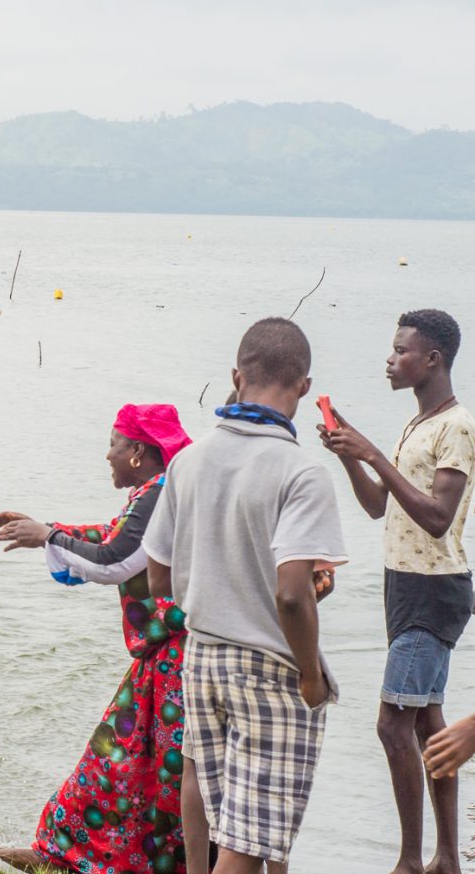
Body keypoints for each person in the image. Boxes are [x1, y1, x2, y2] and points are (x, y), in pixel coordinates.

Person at [145, 318, 347, 874]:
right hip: (271, 665)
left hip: (202, 655)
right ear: (304, 386)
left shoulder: (187, 461)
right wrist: (309, 673)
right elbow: (290, 596)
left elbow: (158, 579)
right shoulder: (302, 471)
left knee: (215, 801)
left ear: (236, 376)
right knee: (249, 841)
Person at [0, 404, 192, 874]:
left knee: (126, 761)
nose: (108, 454)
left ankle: (66, 856)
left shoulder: (158, 495)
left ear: (138, 451)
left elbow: (114, 560)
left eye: (114, 444)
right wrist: (46, 532)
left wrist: (49, 535)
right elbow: (114, 539)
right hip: (167, 653)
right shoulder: (159, 490)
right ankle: (70, 855)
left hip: (178, 657)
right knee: (142, 765)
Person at [318, 309, 474, 874]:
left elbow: (437, 518)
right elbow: (378, 504)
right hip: (405, 586)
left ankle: (410, 861)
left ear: (432, 359)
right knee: (430, 724)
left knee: (392, 724)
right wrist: (348, 455)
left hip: (435, 593)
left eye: (400, 350)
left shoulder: (455, 425)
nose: (390, 359)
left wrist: (373, 453)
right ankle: (447, 860)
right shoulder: (417, 424)